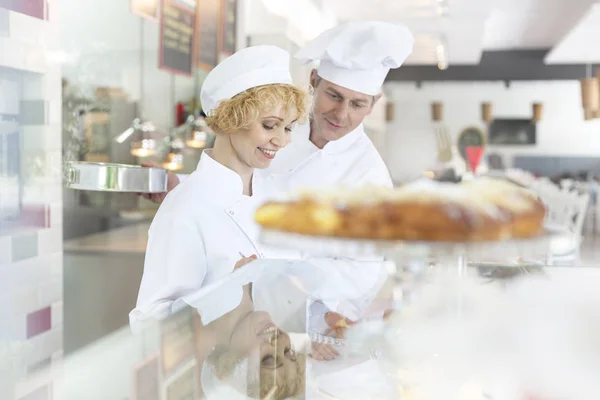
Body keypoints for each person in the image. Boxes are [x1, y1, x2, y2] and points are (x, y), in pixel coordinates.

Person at [129, 45, 308, 330]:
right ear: (229, 119)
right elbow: (148, 324)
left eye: (287, 128)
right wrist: (226, 291)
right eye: (269, 125)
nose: (282, 141)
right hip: (218, 370)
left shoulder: (279, 199)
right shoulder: (185, 207)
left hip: (280, 363)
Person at [144, 21, 414, 198]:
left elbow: (360, 273)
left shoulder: (369, 178)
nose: (341, 114)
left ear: (373, 105)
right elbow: (238, 183)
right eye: (333, 95)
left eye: (357, 104)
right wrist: (178, 185)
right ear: (313, 81)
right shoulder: (281, 128)